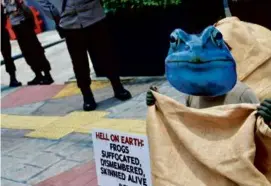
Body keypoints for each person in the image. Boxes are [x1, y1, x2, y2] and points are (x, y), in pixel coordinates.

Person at [146, 26, 271, 127]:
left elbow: (260, 131)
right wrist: (157, 105)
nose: (196, 52)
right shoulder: (191, 95)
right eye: (174, 40)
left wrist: (267, 118)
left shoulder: (242, 94)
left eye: (215, 38)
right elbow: (186, 125)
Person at [37, 0, 132, 111]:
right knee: (79, 62)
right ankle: (87, 95)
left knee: (106, 55)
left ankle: (118, 86)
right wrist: (55, 13)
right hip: (69, 23)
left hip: (93, 16)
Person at [3, 0, 54, 85]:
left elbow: (20, 8)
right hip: (16, 26)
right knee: (27, 52)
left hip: (24, 24)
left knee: (35, 49)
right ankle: (38, 75)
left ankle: (47, 75)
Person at [1, 4, 22, 87]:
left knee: (8, 57)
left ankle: (13, 78)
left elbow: (4, 18)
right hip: (2, 33)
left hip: (2, 33)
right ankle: (13, 79)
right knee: (8, 57)